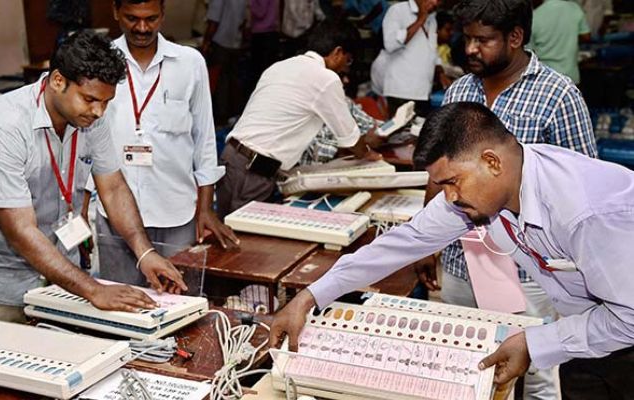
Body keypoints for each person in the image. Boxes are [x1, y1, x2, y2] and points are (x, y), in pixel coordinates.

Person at [270, 102, 634, 400]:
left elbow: (629, 318)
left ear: (492, 162)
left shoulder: (586, 212)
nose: (449, 197)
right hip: (586, 338)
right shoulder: (485, 193)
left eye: (451, 182)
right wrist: (309, 295)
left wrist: (535, 342)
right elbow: (405, 241)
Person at [0, 31, 187, 336]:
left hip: (59, 280)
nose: (99, 111)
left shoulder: (90, 117)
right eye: (90, 100)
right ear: (58, 81)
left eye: (106, 102)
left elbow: (112, 187)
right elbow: (20, 231)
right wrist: (94, 290)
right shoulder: (0, 127)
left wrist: (144, 252)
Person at [413, 1, 598, 397]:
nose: (471, 50)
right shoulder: (461, 90)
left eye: (484, 40)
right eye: (468, 39)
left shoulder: (558, 95)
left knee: (535, 374)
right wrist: (425, 245)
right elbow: (440, 172)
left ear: (515, 37)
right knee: (463, 365)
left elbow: (583, 185)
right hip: (463, 261)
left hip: (529, 270)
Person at [85, 0, 238, 291]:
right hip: (114, 214)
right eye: (132, 18)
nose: (142, 27)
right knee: (120, 303)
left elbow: (204, 139)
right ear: (116, 12)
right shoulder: (99, 62)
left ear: (163, 15)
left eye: (151, 18)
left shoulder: (189, 63)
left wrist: (205, 207)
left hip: (177, 213)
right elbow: (84, 139)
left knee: (181, 302)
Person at [216, 19, 382, 218]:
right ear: (337, 52)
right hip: (254, 172)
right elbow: (351, 140)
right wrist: (370, 156)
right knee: (244, 241)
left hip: (231, 157)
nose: (345, 69)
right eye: (348, 61)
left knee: (225, 236)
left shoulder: (280, 66)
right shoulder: (326, 78)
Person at [370, 0, 449, 117]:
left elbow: (432, 50)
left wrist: (440, 72)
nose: (436, 3)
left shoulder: (432, 18)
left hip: (423, 92)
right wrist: (419, 20)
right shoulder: (397, 11)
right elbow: (390, 44)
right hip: (400, 92)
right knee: (398, 133)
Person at [201, 0, 248, 126]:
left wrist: (206, 43)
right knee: (232, 79)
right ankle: (232, 114)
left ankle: (219, 116)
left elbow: (214, 21)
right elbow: (244, 22)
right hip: (235, 42)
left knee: (219, 80)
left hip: (220, 41)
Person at [530, 0, 590, 84]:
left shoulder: (535, 15)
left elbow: (529, 52)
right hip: (570, 77)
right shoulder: (574, 8)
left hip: (545, 79)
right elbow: (586, 36)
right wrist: (570, 37)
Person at [250, 0, 280, 81]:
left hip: (261, 34)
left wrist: (250, 4)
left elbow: (260, 12)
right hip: (272, 32)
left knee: (258, 72)